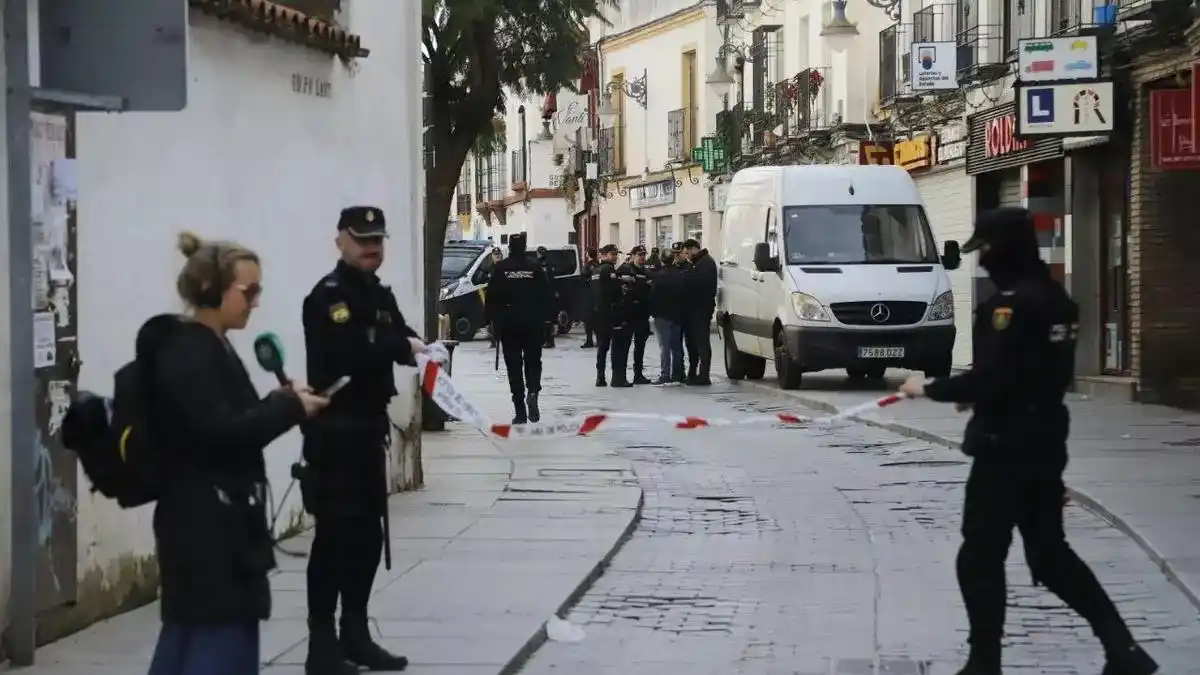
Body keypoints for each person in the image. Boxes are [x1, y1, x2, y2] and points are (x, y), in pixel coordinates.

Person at [898, 207, 1158, 675]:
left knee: (979, 556)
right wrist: (982, 393)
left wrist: (931, 388)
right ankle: (1124, 649)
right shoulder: (1056, 299)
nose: (983, 263)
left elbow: (995, 378)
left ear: (1004, 249)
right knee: (1050, 555)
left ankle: (984, 661)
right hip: (1043, 444)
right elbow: (1030, 375)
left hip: (1004, 449)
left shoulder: (1011, 306)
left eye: (988, 252)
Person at [148, 232, 330, 675]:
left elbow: (227, 420)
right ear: (212, 290)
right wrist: (285, 407)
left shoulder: (209, 345)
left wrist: (282, 404)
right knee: (216, 643)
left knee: (186, 640)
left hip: (213, 527)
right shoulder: (191, 352)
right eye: (249, 292)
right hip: (207, 532)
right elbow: (221, 432)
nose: (256, 302)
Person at [301, 206, 425, 675]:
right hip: (334, 433)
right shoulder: (327, 297)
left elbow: (401, 335)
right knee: (334, 538)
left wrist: (426, 350)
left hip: (369, 430)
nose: (372, 247)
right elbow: (352, 351)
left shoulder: (379, 294)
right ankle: (321, 643)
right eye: (362, 239)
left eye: (378, 239)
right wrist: (401, 347)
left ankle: (355, 633)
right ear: (341, 241)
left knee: (368, 539)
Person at [487, 233, 553, 422]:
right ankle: (533, 390)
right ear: (524, 248)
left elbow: (491, 298)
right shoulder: (535, 267)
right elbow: (546, 295)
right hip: (533, 322)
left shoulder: (500, 269)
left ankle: (520, 411)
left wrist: (491, 321)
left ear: (509, 247)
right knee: (533, 360)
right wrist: (547, 320)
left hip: (508, 324)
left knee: (514, 366)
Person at [592, 244, 630, 387]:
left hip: (598, 313)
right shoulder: (609, 270)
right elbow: (614, 292)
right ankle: (617, 378)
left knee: (602, 347)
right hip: (611, 313)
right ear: (604, 255)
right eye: (612, 254)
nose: (615, 257)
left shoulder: (596, 270)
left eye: (615, 254)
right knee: (617, 346)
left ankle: (600, 377)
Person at [681, 239, 717, 385]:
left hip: (701, 309)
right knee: (692, 342)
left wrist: (687, 277)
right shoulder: (698, 263)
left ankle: (704, 374)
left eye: (688, 252)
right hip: (694, 309)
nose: (687, 255)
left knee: (701, 341)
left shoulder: (706, 263)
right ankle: (693, 373)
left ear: (694, 249)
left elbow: (700, 285)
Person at [649, 248, 687, 385]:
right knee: (676, 346)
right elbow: (684, 297)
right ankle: (678, 374)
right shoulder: (680, 275)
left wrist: (653, 313)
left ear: (661, 260)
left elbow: (652, 297)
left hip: (662, 316)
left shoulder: (658, 276)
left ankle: (665, 374)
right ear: (673, 259)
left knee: (664, 347)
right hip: (677, 315)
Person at [617, 246, 653, 384]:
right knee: (625, 346)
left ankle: (638, 375)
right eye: (639, 254)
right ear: (632, 255)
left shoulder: (647, 271)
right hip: (629, 314)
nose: (642, 257)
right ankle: (622, 375)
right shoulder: (625, 269)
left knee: (640, 347)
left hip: (642, 314)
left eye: (644, 254)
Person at [535, 246, 558, 349]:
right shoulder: (550, 264)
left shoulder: (540, 265)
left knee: (545, 320)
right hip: (550, 295)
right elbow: (554, 280)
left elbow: (544, 282)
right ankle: (549, 341)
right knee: (550, 319)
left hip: (544, 295)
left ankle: (547, 341)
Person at [579, 248, 598, 348]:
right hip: (595, 295)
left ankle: (590, 340)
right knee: (594, 319)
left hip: (588, 295)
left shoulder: (589, 265)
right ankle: (595, 339)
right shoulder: (597, 264)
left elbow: (584, 279)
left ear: (588, 254)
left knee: (589, 320)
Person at [487, 247, 503, 348]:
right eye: (495, 254)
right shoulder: (491, 268)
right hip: (493, 298)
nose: (497, 256)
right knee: (493, 321)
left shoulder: (504, 267)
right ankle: (494, 340)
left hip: (503, 298)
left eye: (498, 254)